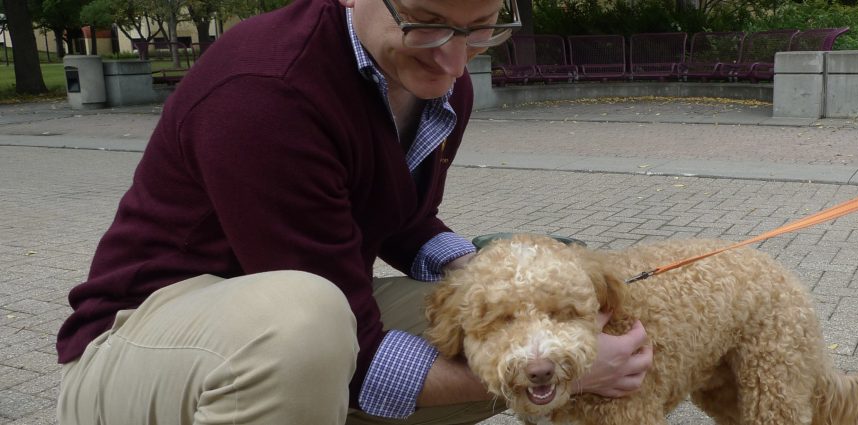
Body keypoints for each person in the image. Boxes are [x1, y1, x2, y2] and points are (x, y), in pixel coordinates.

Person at [55, 0, 653, 423]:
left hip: (302, 314)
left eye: (480, 29)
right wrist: (567, 369)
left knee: (487, 316)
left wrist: (494, 266)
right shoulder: (267, 92)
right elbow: (355, 349)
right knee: (306, 325)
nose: (454, 61)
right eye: (426, 23)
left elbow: (403, 220)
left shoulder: (433, 80)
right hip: (135, 347)